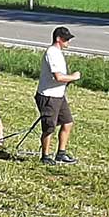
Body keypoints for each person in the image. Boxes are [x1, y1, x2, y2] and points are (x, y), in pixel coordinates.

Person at [35, 27, 81, 165]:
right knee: (49, 127)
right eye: (66, 39)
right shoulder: (52, 53)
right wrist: (73, 77)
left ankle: (61, 153)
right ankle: (45, 156)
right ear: (58, 39)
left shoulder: (58, 52)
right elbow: (58, 77)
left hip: (59, 95)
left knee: (67, 122)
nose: (68, 42)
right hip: (48, 96)